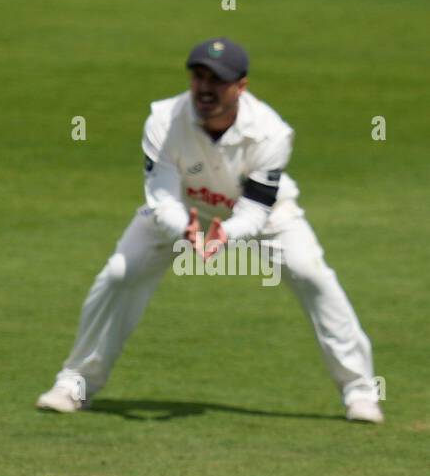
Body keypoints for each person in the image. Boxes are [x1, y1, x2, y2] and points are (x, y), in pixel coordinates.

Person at [37, 37, 383, 423]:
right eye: (198, 77)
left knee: (312, 275)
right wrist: (183, 227)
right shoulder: (164, 119)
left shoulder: (271, 133)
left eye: (217, 80)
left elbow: (254, 210)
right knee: (120, 273)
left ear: (241, 86)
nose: (205, 88)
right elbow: (161, 196)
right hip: (181, 212)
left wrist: (226, 235)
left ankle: (361, 392)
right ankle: (75, 383)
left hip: (264, 218)